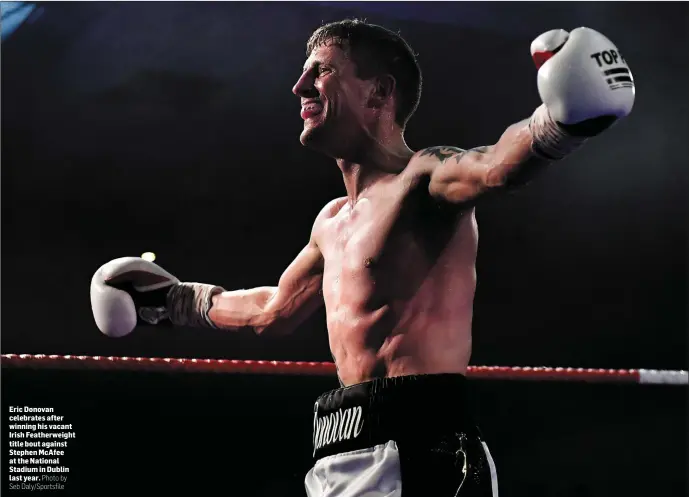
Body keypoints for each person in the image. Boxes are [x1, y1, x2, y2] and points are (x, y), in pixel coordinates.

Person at [90, 20, 634, 497]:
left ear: (378, 93)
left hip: (425, 451)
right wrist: (174, 301)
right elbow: (273, 311)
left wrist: (558, 125)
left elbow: (494, 166)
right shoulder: (331, 222)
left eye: (321, 72)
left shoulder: (423, 179)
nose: (300, 85)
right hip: (338, 456)